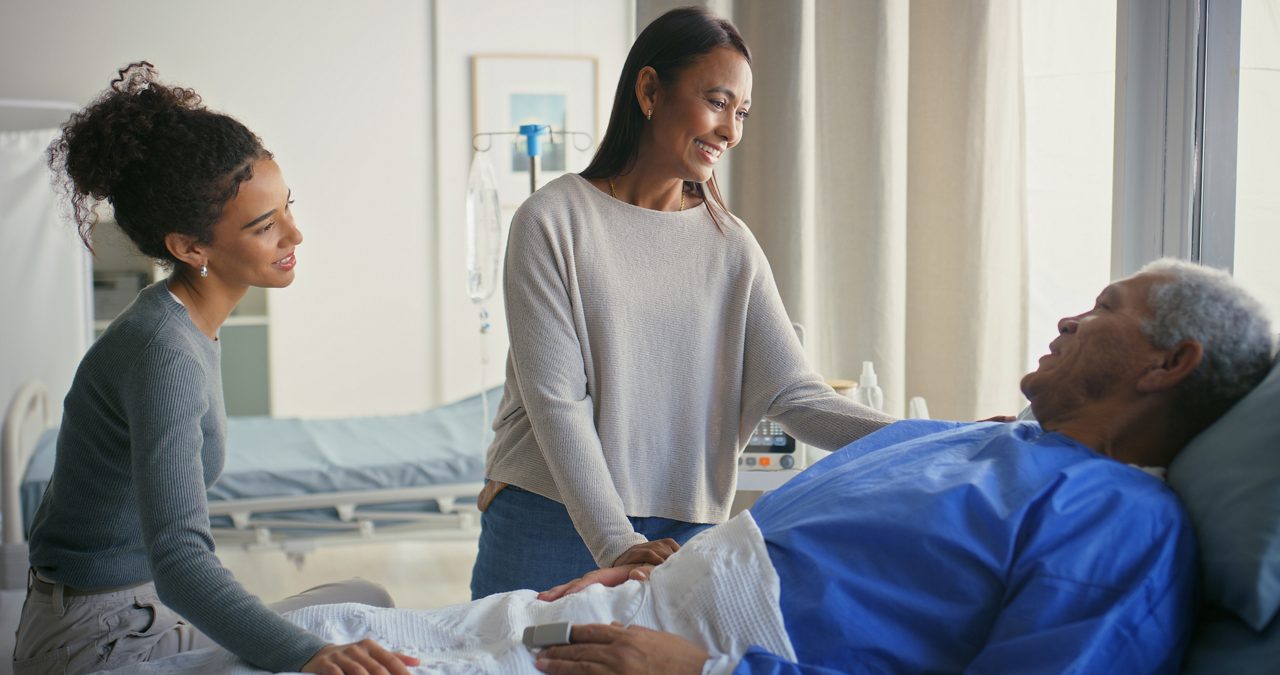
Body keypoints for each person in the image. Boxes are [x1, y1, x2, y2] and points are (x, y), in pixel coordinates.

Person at [107, 260, 1272, 675]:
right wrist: (662, 559)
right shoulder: (970, 442)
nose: (1068, 317)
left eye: (1105, 309)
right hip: (635, 611)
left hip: (689, 659)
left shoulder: (1119, 528)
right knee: (316, 631)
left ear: (1165, 363)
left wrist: (705, 671)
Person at [472, 6, 894, 599]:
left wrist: (940, 437)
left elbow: (795, 395)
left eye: (741, 112)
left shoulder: (730, 244)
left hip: (682, 530)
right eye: (718, 102)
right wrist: (616, 542)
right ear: (649, 91)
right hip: (551, 516)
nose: (731, 131)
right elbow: (558, 403)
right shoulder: (552, 221)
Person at [14, 63, 419, 675]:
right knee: (344, 640)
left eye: (287, 208)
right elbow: (180, 563)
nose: (295, 235)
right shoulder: (163, 349)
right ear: (189, 247)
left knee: (367, 602)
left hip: (145, 609)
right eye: (264, 226)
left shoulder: (180, 322)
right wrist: (308, 654)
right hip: (101, 641)